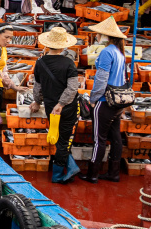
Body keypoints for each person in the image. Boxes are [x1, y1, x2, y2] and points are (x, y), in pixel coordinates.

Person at [29, 27, 82, 183]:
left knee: (58, 138)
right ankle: (59, 174)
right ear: (63, 46)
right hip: (68, 108)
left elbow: (37, 86)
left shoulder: (40, 63)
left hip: (51, 107)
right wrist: (62, 104)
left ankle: (69, 167)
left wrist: (37, 101)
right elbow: (72, 88)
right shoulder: (68, 63)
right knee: (63, 140)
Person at [81, 16, 129, 184]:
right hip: (118, 102)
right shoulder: (119, 52)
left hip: (104, 101)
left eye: (99, 34)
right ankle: (113, 173)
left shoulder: (106, 52)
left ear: (104, 35)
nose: (97, 36)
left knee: (98, 139)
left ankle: (92, 174)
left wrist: (93, 99)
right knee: (115, 137)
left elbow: (101, 80)